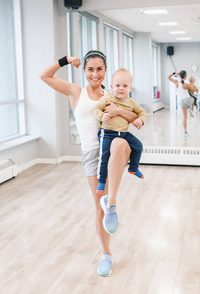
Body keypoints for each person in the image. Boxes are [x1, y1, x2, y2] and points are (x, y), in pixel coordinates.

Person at [39, 50, 138, 277]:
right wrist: (64, 60)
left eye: (100, 69)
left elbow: (135, 118)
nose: (95, 74)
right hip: (91, 154)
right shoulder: (76, 92)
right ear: (84, 70)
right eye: (90, 69)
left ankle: (111, 201)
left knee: (122, 145)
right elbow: (44, 76)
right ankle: (106, 254)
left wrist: (119, 110)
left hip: (112, 148)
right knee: (98, 207)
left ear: (106, 71)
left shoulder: (114, 93)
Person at [93, 68, 146, 196]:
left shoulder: (131, 102)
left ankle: (133, 168)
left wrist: (140, 120)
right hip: (107, 133)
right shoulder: (107, 99)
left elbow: (142, 112)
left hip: (123, 133)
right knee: (104, 157)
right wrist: (102, 116)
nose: (121, 88)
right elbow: (96, 109)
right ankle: (101, 181)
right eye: (117, 85)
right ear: (111, 87)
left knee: (138, 146)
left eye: (125, 86)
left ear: (130, 88)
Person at [168, 70, 196, 137]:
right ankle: (191, 108)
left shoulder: (176, 82)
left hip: (182, 101)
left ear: (179, 75)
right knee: (194, 97)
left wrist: (174, 73)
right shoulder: (186, 84)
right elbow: (194, 89)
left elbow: (168, 77)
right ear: (186, 76)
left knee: (185, 117)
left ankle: (185, 132)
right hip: (188, 100)